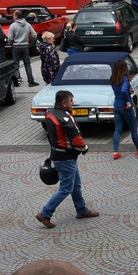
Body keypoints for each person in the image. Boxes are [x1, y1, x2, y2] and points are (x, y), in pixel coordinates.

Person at [36, 90, 97, 228]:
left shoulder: (50, 114)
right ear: (64, 103)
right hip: (66, 157)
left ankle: (81, 210)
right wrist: (84, 148)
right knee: (66, 188)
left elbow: (48, 134)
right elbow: (76, 138)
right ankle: (45, 213)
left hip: (58, 155)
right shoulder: (66, 118)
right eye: (71, 100)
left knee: (75, 185)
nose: (73, 103)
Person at [110, 59, 138, 159]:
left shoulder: (113, 79)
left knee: (118, 129)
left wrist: (129, 91)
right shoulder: (124, 79)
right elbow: (124, 91)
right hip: (125, 107)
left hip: (117, 106)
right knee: (133, 128)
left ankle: (115, 152)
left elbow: (120, 91)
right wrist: (128, 102)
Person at [8, 9, 39, 86]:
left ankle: (17, 81)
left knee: (16, 64)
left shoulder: (13, 25)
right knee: (27, 64)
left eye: (13, 15)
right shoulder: (28, 25)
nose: (13, 17)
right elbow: (35, 35)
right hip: (25, 46)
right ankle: (31, 81)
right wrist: (30, 42)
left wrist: (12, 44)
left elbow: (10, 38)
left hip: (16, 46)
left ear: (16, 16)